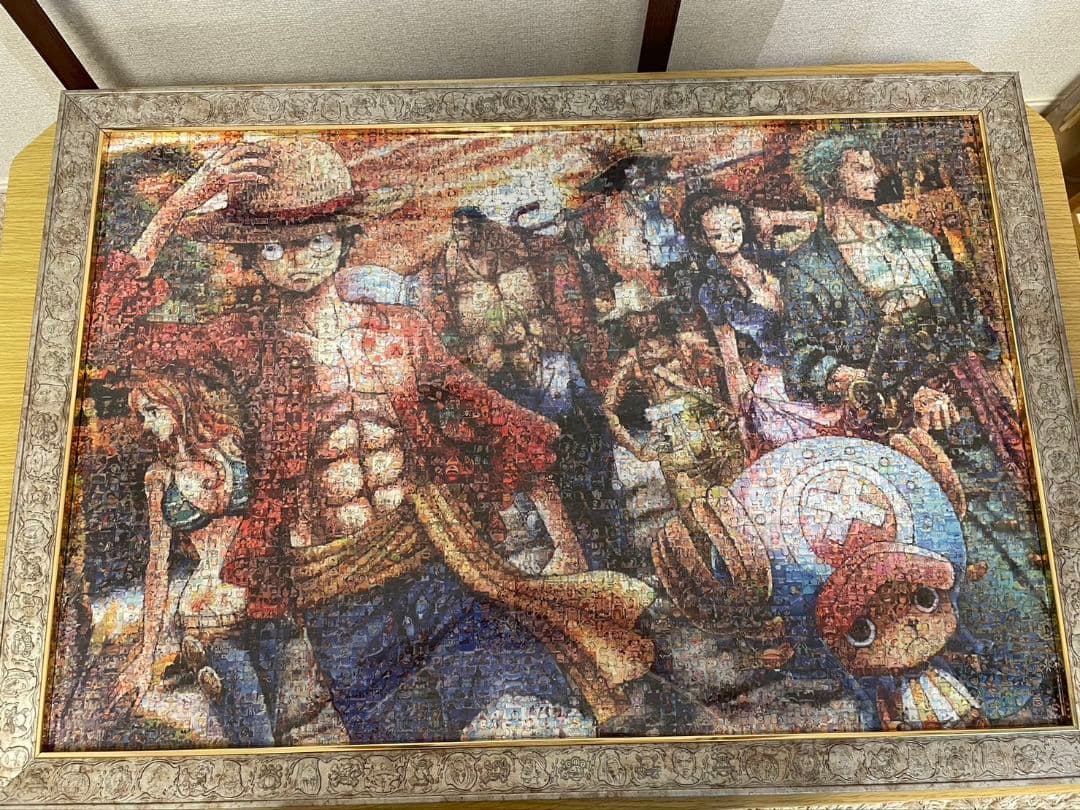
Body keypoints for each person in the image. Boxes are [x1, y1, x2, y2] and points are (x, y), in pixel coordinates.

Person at [88, 137, 655, 743]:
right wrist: (179, 205)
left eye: (317, 240)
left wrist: (565, 543)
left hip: (436, 563)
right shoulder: (241, 343)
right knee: (396, 751)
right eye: (275, 246)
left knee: (518, 716)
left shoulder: (401, 332)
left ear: (342, 240)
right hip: (336, 593)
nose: (298, 260)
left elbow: (503, 423)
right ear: (254, 257)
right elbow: (101, 331)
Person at [779, 131, 1064, 723]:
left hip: (970, 400)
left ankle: (1057, 655)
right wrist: (867, 386)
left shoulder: (916, 240)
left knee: (1018, 519)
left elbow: (967, 317)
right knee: (951, 543)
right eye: (860, 167)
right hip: (898, 423)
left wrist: (996, 375)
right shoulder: (808, 269)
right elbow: (804, 360)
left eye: (872, 165)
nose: (874, 174)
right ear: (831, 180)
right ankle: (988, 680)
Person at [110, 370, 292, 746]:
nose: (147, 424)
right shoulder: (159, 478)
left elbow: (275, 514)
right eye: (141, 415)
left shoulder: (233, 447)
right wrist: (146, 655)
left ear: (177, 403)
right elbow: (157, 568)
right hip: (208, 617)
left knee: (268, 730)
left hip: (264, 606)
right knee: (257, 739)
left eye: (153, 411)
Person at [679, 190, 842, 455]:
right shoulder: (712, 290)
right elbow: (731, 360)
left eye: (735, 229)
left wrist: (773, 217)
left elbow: (823, 223)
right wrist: (741, 417)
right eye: (717, 235)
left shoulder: (770, 257)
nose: (729, 239)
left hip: (826, 360)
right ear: (702, 238)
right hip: (781, 381)